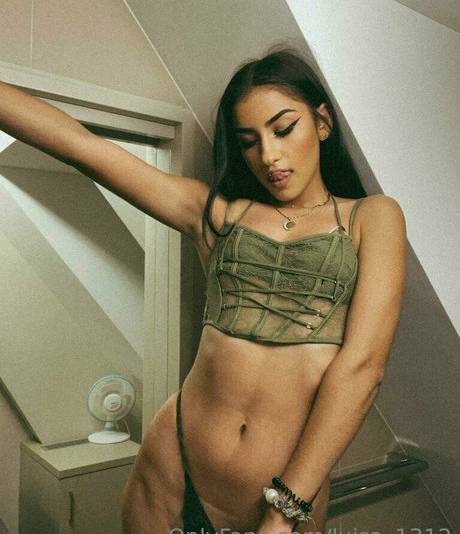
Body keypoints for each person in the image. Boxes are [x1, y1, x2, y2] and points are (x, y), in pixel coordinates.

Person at [0, 48, 406, 534]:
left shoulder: (372, 217)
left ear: (322, 123)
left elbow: (362, 369)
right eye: (249, 141)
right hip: (173, 465)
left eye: (283, 129)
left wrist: (284, 511)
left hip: (284, 499)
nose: (269, 156)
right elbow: (81, 146)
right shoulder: (215, 214)